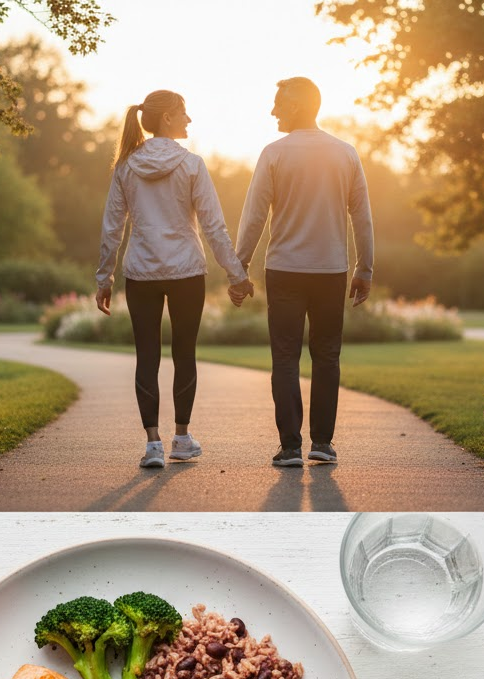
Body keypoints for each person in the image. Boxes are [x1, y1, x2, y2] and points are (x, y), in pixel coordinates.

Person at [97, 90, 254, 469]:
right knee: (184, 354)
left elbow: (112, 229)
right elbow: (214, 227)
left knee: (146, 356)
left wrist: (105, 276)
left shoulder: (126, 166)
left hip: (141, 273)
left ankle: (153, 444)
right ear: (167, 117)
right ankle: (181, 438)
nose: (189, 119)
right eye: (184, 112)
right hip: (186, 272)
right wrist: (237, 275)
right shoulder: (192, 165)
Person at [234, 76, 374, 468]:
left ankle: (291, 447)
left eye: (278, 102)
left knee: (285, 357)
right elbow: (361, 215)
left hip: (285, 270)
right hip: (332, 269)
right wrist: (365, 267)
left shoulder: (274, 153)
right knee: (327, 356)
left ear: (296, 105)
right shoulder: (345, 153)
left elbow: (254, 217)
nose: (273, 110)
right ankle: (323, 444)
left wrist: (238, 266)